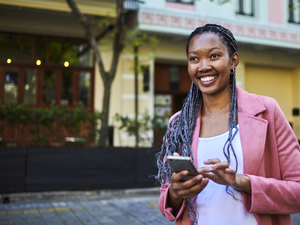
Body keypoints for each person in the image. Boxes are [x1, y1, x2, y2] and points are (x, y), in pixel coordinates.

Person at [156, 24, 300, 225]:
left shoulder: (267, 111)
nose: (203, 66)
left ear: (233, 61)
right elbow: (166, 205)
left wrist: (243, 182)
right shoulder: (178, 123)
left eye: (214, 56)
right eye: (194, 59)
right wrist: (175, 193)